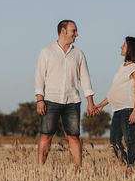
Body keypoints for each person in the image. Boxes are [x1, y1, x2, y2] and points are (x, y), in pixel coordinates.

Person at [34, 20, 98, 168]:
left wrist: (90, 102)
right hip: (50, 100)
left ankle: (78, 169)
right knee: (46, 135)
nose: (77, 34)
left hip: (72, 101)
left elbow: (85, 79)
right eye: (74, 31)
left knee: (74, 137)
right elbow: (39, 77)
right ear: (63, 31)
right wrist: (39, 100)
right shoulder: (46, 52)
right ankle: (40, 168)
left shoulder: (78, 54)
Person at [96, 37, 135, 168]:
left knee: (129, 140)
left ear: (131, 49)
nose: (120, 47)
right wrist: (101, 105)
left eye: (123, 45)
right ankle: (124, 164)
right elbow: (115, 90)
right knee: (114, 140)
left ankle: (131, 166)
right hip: (118, 109)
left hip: (129, 109)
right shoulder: (122, 67)